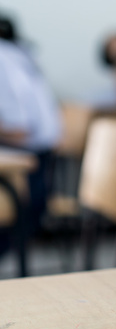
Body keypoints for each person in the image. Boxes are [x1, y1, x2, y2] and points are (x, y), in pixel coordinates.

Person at [0, 14, 62, 255]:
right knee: (29, 205)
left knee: (25, 206)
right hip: (33, 141)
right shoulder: (23, 54)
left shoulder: (11, 56)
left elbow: (20, 109)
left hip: (22, 142)